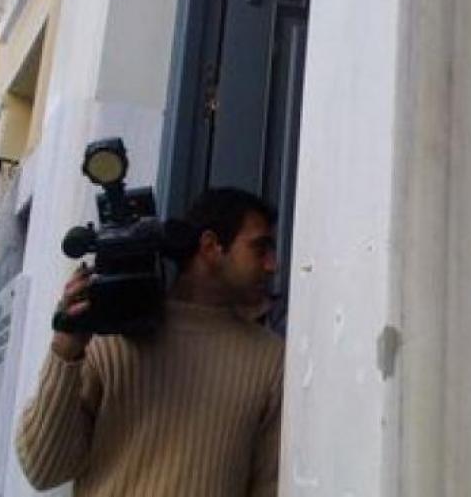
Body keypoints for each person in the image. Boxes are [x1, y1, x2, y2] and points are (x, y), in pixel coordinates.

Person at [15, 188, 283, 496]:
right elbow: (43, 470)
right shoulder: (112, 337)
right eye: (260, 249)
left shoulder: (270, 359)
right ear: (211, 247)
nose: (272, 265)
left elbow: (268, 485)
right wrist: (65, 350)